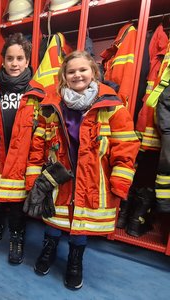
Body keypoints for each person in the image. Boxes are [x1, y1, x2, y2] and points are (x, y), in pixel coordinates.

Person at [24, 50, 140, 289]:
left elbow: (126, 145)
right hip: (59, 176)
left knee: (81, 223)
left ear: (94, 72)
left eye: (82, 70)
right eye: (71, 71)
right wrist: (33, 178)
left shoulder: (112, 106)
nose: (77, 75)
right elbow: (38, 144)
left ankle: (75, 261)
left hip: (93, 178)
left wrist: (119, 183)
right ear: (63, 76)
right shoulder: (51, 107)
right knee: (54, 218)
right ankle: (50, 249)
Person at [0, 32, 45, 265]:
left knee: (16, 205)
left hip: (21, 160)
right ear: (2, 61)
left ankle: (17, 236)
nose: (14, 63)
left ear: (27, 62)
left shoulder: (37, 93)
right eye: (10, 58)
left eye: (20, 58)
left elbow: (40, 133)